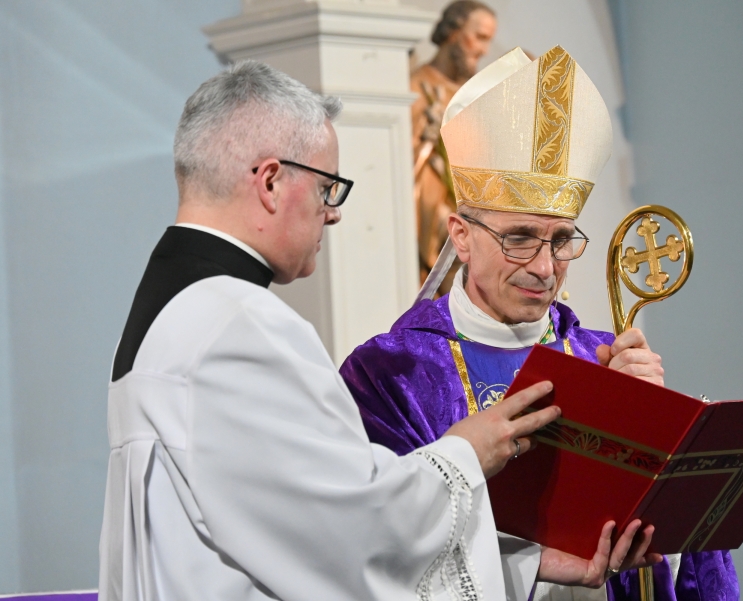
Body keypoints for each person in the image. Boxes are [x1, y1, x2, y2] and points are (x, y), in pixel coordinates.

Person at [98, 60, 658, 601]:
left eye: (560, 241)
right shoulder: (245, 328)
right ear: (270, 181)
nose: (333, 213)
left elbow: (292, 532)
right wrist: (469, 450)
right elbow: (351, 535)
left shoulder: (175, 315)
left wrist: (532, 563)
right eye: (326, 189)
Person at [341, 46, 740, 601]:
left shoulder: (607, 357)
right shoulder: (391, 374)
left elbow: (677, 557)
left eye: (561, 240)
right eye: (520, 238)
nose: (545, 267)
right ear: (460, 235)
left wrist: (663, 437)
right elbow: (377, 543)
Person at [411, 0, 496, 291]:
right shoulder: (415, 86)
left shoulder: (475, 96)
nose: (483, 50)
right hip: (430, 214)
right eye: (480, 37)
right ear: (452, 32)